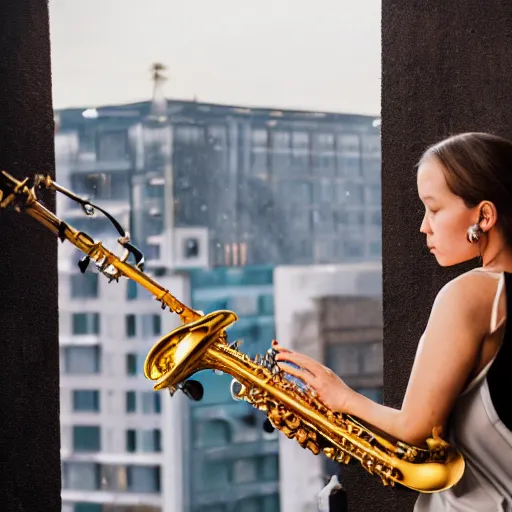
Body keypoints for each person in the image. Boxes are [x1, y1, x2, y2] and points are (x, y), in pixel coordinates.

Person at [273, 132, 512, 511]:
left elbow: (416, 431)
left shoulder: (471, 294)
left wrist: (341, 397)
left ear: (483, 215)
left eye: (434, 209)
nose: (424, 226)